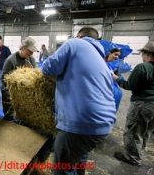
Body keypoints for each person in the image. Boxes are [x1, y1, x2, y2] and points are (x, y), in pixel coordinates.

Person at [41, 27, 117, 175]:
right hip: (104, 122)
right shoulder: (100, 59)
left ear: (79, 36)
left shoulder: (75, 43)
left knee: (62, 169)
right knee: (79, 160)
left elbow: (48, 68)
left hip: (80, 122)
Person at [113, 42, 154, 167]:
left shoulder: (143, 67)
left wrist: (116, 78)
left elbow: (129, 85)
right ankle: (139, 153)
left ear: (147, 53)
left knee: (133, 129)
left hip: (143, 103)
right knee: (146, 130)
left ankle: (132, 157)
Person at [2, 37, 37, 121]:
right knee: (9, 116)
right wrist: (15, 90)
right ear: (22, 48)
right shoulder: (11, 60)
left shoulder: (31, 60)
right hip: (11, 91)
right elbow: (4, 78)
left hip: (25, 91)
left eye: (32, 51)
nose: (31, 53)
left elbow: (34, 75)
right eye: (29, 51)